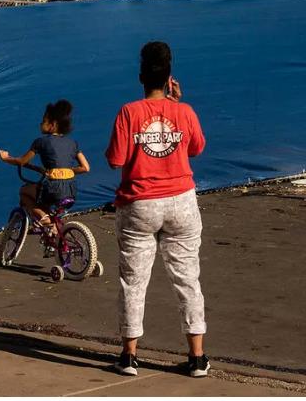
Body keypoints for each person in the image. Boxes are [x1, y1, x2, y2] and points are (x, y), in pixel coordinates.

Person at [104, 41, 208, 377]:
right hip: (182, 201)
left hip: (140, 203)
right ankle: (197, 358)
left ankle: (129, 356)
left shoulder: (128, 112)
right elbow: (195, 148)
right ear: (169, 79)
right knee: (187, 279)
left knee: (133, 282)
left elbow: (115, 159)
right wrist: (176, 107)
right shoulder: (185, 111)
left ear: (140, 78)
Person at [0, 99, 90, 230]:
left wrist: (5, 158)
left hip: (53, 189)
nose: (40, 124)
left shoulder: (40, 142)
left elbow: (21, 161)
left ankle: (43, 218)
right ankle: (55, 238)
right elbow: (85, 167)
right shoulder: (73, 143)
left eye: (44, 121)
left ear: (53, 125)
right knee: (49, 207)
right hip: (71, 190)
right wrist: (64, 171)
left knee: (23, 192)